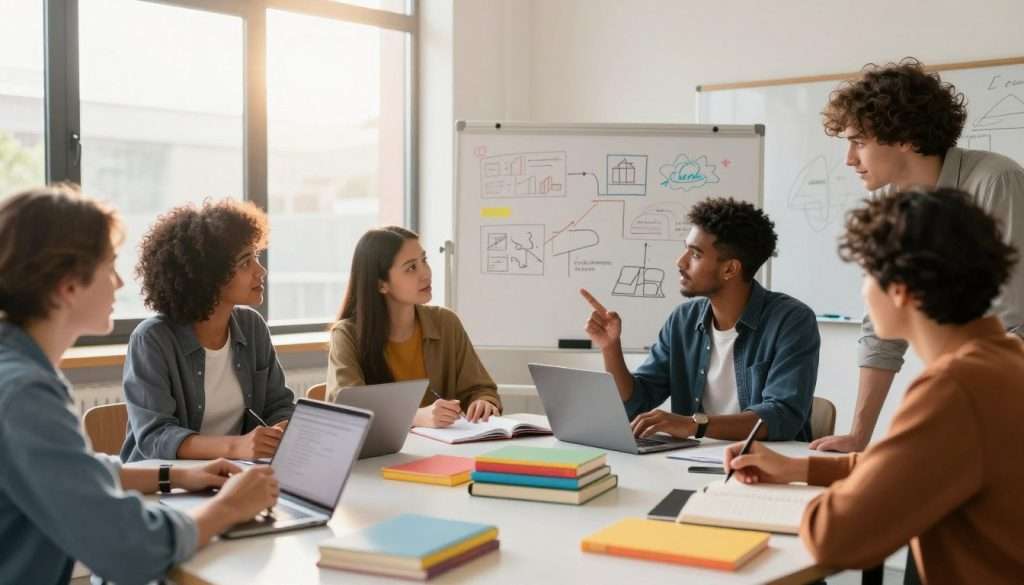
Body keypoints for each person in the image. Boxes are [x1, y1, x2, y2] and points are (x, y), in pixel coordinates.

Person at [724, 188, 1024, 584]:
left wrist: (783, 504)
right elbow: (914, 466)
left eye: (867, 276)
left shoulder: (954, 388)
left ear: (899, 290)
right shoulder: (1006, 359)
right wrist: (797, 468)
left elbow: (835, 538)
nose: (863, 292)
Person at [0, 185, 278, 585]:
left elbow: (75, 472)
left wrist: (178, 476)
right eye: (109, 266)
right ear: (69, 284)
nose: (118, 283)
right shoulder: (25, 394)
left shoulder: (18, 371)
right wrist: (229, 508)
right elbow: (130, 548)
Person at [810, 58, 1024, 453]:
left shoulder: (995, 180)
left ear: (905, 137)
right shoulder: (892, 201)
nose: (849, 159)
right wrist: (859, 436)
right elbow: (880, 328)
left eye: (859, 142)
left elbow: (1009, 318)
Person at [581, 197, 819, 441]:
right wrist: (611, 348)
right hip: (691, 462)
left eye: (695, 254)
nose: (680, 261)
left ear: (730, 269)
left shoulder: (792, 321)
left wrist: (694, 425)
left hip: (765, 464)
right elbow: (637, 402)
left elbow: (782, 416)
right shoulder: (683, 319)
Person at [121, 199, 294, 462]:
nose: (261, 271)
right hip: (168, 485)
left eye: (256, 256)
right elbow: (156, 437)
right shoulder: (152, 339)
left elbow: (278, 406)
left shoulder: (253, 327)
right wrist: (237, 448)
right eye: (245, 262)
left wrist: (280, 431)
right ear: (208, 275)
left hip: (236, 475)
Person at [328, 226, 501, 427]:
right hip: (385, 457)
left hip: (444, 452)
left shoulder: (445, 322)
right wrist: (415, 417)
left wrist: (483, 402)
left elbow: (481, 389)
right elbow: (348, 411)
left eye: (424, 261)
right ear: (381, 284)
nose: (426, 273)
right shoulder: (346, 335)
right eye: (411, 267)